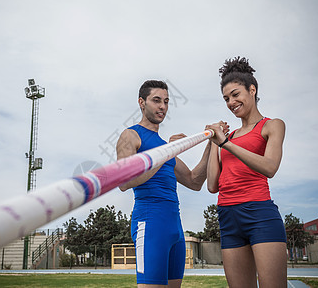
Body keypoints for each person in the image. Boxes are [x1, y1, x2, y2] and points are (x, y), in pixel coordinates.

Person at [116, 80, 223, 288]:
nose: (162, 107)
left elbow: (194, 181)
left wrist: (211, 144)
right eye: (156, 100)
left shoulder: (166, 148)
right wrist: (167, 152)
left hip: (175, 229)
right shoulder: (131, 135)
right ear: (141, 102)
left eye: (166, 101)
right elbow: (124, 181)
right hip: (150, 224)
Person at [205, 57, 287, 288]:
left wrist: (225, 145)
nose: (231, 102)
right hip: (228, 216)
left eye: (235, 94)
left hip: (259, 213)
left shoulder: (272, 125)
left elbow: (270, 167)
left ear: (252, 90)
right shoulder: (226, 138)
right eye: (226, 98)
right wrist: (214, 142)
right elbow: (212, 185)